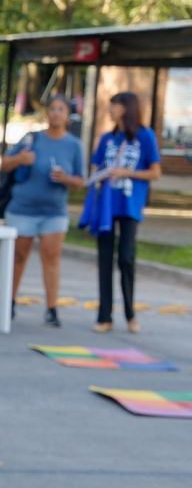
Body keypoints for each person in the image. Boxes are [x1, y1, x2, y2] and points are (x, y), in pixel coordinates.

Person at [2, 95, 86, 328]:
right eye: (53, 108)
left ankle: (51, 308)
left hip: (54, 212)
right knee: (18, 257)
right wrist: (20, 158)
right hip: (23, 209)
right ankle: (9, 302)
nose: (57, 113)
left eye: (61, 109)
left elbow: (80, 181)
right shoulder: (32, 138)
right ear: (46, 112)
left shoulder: (74, 145)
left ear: (67, 115)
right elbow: (5, 164)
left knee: (51, 258)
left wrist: (66, 178)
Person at [84, 91, 162, 333]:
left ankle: (130, 314)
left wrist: (127, 172)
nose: (110, 109)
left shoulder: (145, 136)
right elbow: (95, 166)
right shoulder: (107, 138)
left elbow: (155, 172)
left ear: (126, 108)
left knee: (127, 258)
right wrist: (103, 172)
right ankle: (104, 316)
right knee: (104, 260)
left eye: (114, 105)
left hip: (129, 205)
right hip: (107, 206)